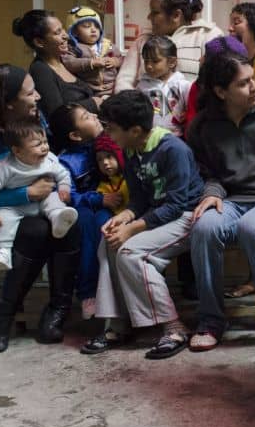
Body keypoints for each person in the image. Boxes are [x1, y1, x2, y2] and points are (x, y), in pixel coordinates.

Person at [81, 90, 203, 359]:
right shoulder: (131, 150)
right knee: (109, 242)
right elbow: (138, 200)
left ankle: (174, 328)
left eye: (112, 130)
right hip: (156, 217)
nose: (108, 135)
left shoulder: (173, 149)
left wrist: (134, 228)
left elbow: (176, 204)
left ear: (135, 130)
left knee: (130, 251)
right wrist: (123, 218)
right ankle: (118, 324)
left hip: (186, 217)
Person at [186, 48, 255, 352]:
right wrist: (211, 194)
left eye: (253, 79)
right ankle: (210, 321)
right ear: (221, 92)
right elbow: (206, 172)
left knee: (252, 228)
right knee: (204, 227)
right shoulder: (203, 127)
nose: (254, 87)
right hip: (230, 199)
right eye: (243, 83)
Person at [0, 64, 81, 353]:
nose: (37, 97)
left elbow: (50, 163)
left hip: (40, 209)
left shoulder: (37, 119)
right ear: (9, 103)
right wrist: (26, 192)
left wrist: (57, 189)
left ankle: (56, 312)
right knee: (36, 231)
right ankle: (3, 318)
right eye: (30, 92)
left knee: (70, 222)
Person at [48, 104, 123, 320]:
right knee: (89, 226)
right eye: (86, 116)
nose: (94, 116)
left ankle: (113, 292)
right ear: (75, 135)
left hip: (109, 205)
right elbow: (67, 195)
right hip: (84, 208)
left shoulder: (104, 143)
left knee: (107, 227)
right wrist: (99, 198)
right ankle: (87, 293)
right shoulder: (66, 162)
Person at [0, 120, 78, 271]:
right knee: (4, 217)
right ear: (17, 151)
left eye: (45, 142)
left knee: (54, 199)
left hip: (43, 201)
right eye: (37, 144)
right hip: (16, 207)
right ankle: (3, 251)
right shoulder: (5, 167)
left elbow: (63, 174)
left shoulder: (50, 159)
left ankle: (58, 218)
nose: (45, 147)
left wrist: (64, 188)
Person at [115, 0, 224, 90]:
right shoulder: (142, 41)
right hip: (143, 107)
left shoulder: (208, 35)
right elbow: (124, 82)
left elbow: (220, 82)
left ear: (176, 15)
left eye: (155, 12)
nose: (149, 17)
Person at [13, 10, 101, 118]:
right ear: (39, 42)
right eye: (57, 32)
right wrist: (93, 103)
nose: (66, 36)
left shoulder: (67, 61)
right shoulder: (40, 70)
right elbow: (56, 115)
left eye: (63, 29)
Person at [136, 35, 192, 136]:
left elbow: (193, 109)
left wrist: (186, 115)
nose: (148, 65)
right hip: (148, 138)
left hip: (176, 137)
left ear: (172, 62)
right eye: (146, 61)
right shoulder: (142, 86)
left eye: (155, 61)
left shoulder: (183, 86)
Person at [62, 6, 122, 98]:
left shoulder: (107, 44)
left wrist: (115, 61)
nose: (93, 30)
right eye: (87, 26)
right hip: (90, 91)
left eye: (97, 26)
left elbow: (121, 59)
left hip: (113, 88)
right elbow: (69, 63)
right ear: (74, 31)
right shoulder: (74, 47)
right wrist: (91, 62)